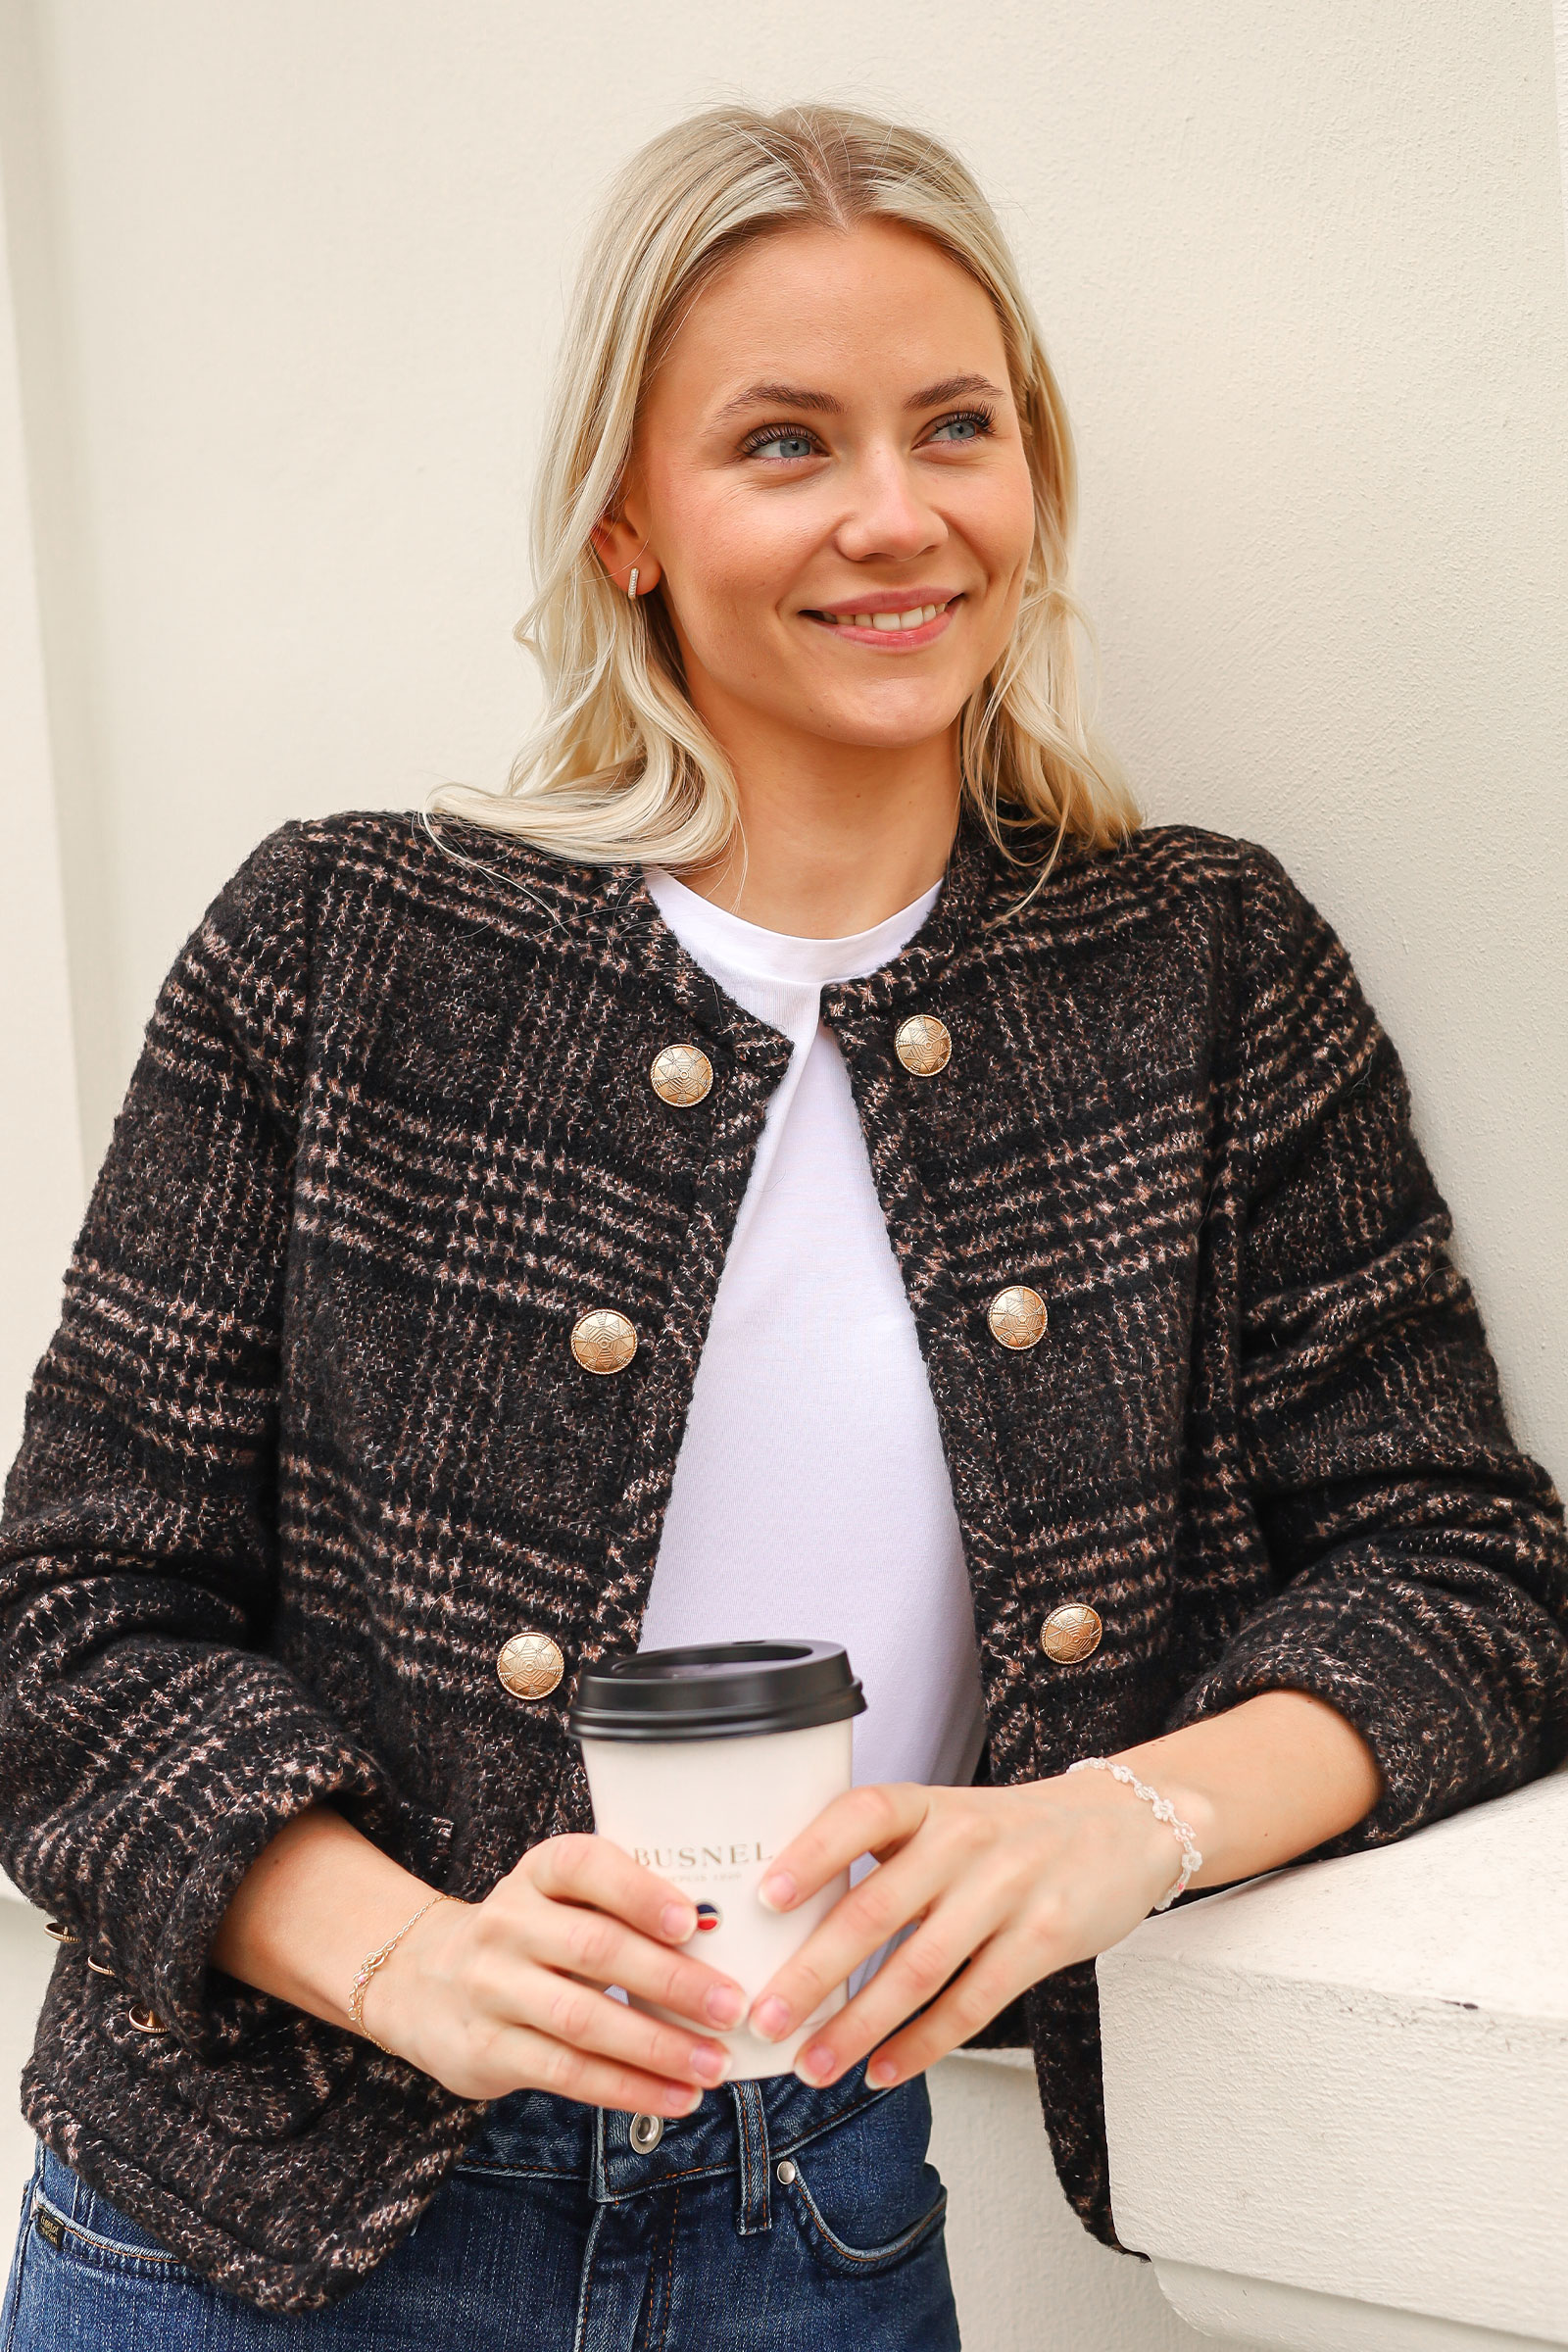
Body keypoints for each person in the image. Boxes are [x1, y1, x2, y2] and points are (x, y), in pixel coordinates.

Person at [1, 100, 1564, 2352]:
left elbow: (1463, 1572)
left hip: (811, 2225)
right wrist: (405, 1954)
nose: (893, 514)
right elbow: (69, 1628)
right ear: (626, 521)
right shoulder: (343, 949)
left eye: (955, 426)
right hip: (249, 2235)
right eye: (781, 443)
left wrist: (1114, 1823)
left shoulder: (1200, 976)